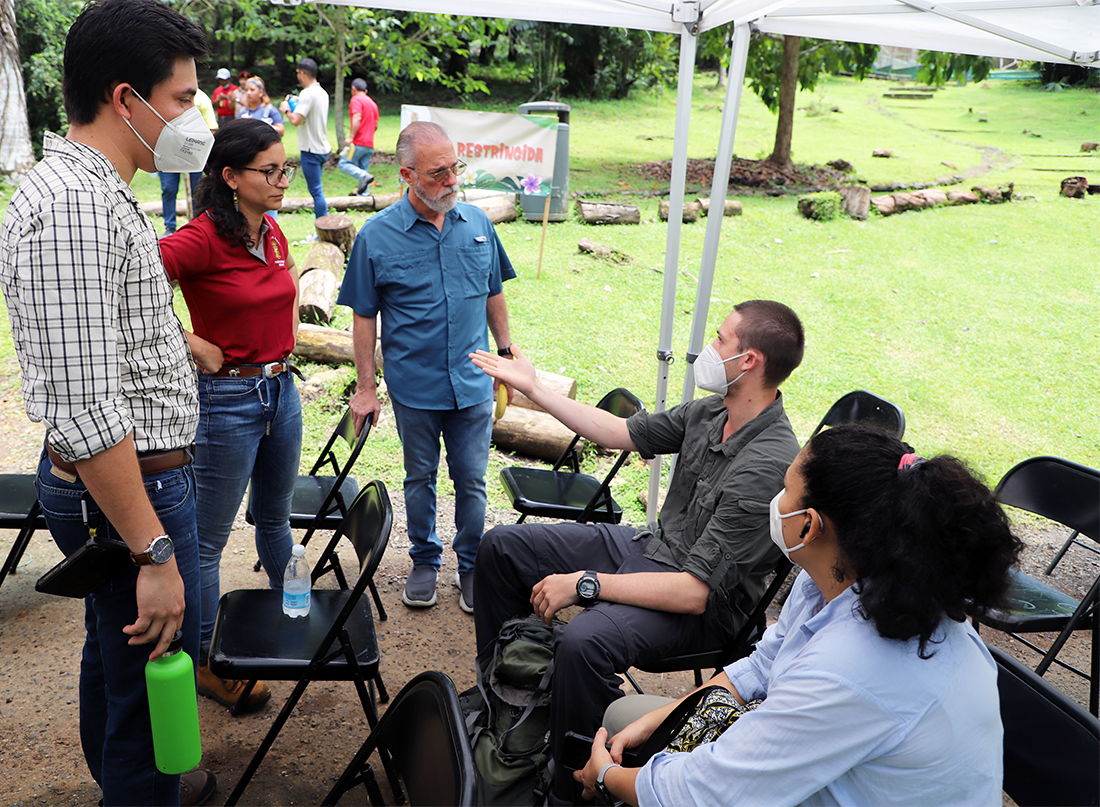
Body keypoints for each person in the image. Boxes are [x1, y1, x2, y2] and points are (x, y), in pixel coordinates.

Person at [0, 1, 217, 805]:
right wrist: (152, 552)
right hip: (130, 496)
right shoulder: (74, 208)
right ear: (128, 100)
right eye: (185, 97)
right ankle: (138, 787)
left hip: (129, 492)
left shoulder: (90, 190)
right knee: (149, 696)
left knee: (119, 661)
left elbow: (100, 340)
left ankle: (128, 779)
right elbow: (89, 408)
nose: (197, 117)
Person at [577, 424, 1024, 807]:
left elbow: (711, 794)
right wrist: (665, 716)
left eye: (785, 489)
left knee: (631, 762)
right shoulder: (838, 584)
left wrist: (604, 779)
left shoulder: (854, 666)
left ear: (809, 525)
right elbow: (760, 666)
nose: (777, 500)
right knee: (628, 719)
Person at [469, 299, 804, 806]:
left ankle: (571, 788)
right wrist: (533, 386)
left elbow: (694, 593)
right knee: (503, 548)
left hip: (706, 606)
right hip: (653, 550)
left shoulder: (767, 461)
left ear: (750, 360)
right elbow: (618, 431)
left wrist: (584, 582)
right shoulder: (713, 411)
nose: (708, 350)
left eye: (719, 339)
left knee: (583, 643)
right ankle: (509, 711)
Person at [337, 120, 515, 614]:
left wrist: (505, 353)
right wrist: (366, 388)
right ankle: (424, 560)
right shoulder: (377, 237)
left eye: (456, 168)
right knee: (420, 479)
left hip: (474, 383)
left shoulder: (477, 224)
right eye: (439, 173)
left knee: (473, 479)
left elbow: (495, 291)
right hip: (414, 387)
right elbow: (364, 317)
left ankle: (473, 565)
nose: (452, 181)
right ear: (407, 174)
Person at [159, 117, 301, 715]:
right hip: (225, 403)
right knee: (209, 544)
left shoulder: (271, 233)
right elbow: (127, 286)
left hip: (280, 394)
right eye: (269, 171)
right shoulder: (198, 239)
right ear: (230, 176)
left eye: (285, 169)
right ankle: (210, 663)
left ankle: (292, 620)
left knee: (274, 519)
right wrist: (189, 342)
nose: (281, 180)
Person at [158, 86, 217, 235]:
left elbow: (211, 129)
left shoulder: (202, 100)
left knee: (197, 190)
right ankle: (169, 227)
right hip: (168, 154)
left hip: (193, 157)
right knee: (168, 189)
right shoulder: (164, 96)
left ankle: (196, 224)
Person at [279, 57, 329, 218]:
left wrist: (286, 110)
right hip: (322, 147)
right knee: (318, 189)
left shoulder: (307, 93)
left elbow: (296, 120)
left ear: (301, 73)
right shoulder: (322, 92)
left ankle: (322, 225)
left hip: (310, 149)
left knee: (316, 191)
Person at [338, 77, 378, 196]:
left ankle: (364, 177)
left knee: (343, 164)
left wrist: (351, 136)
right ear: (365, 91)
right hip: (369, 143)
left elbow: (357, 117)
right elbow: (376, 125)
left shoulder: (356, 99)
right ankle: (364, 195)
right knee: (363, 167)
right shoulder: (372, 103)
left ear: (353, 89)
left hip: (358, 142)